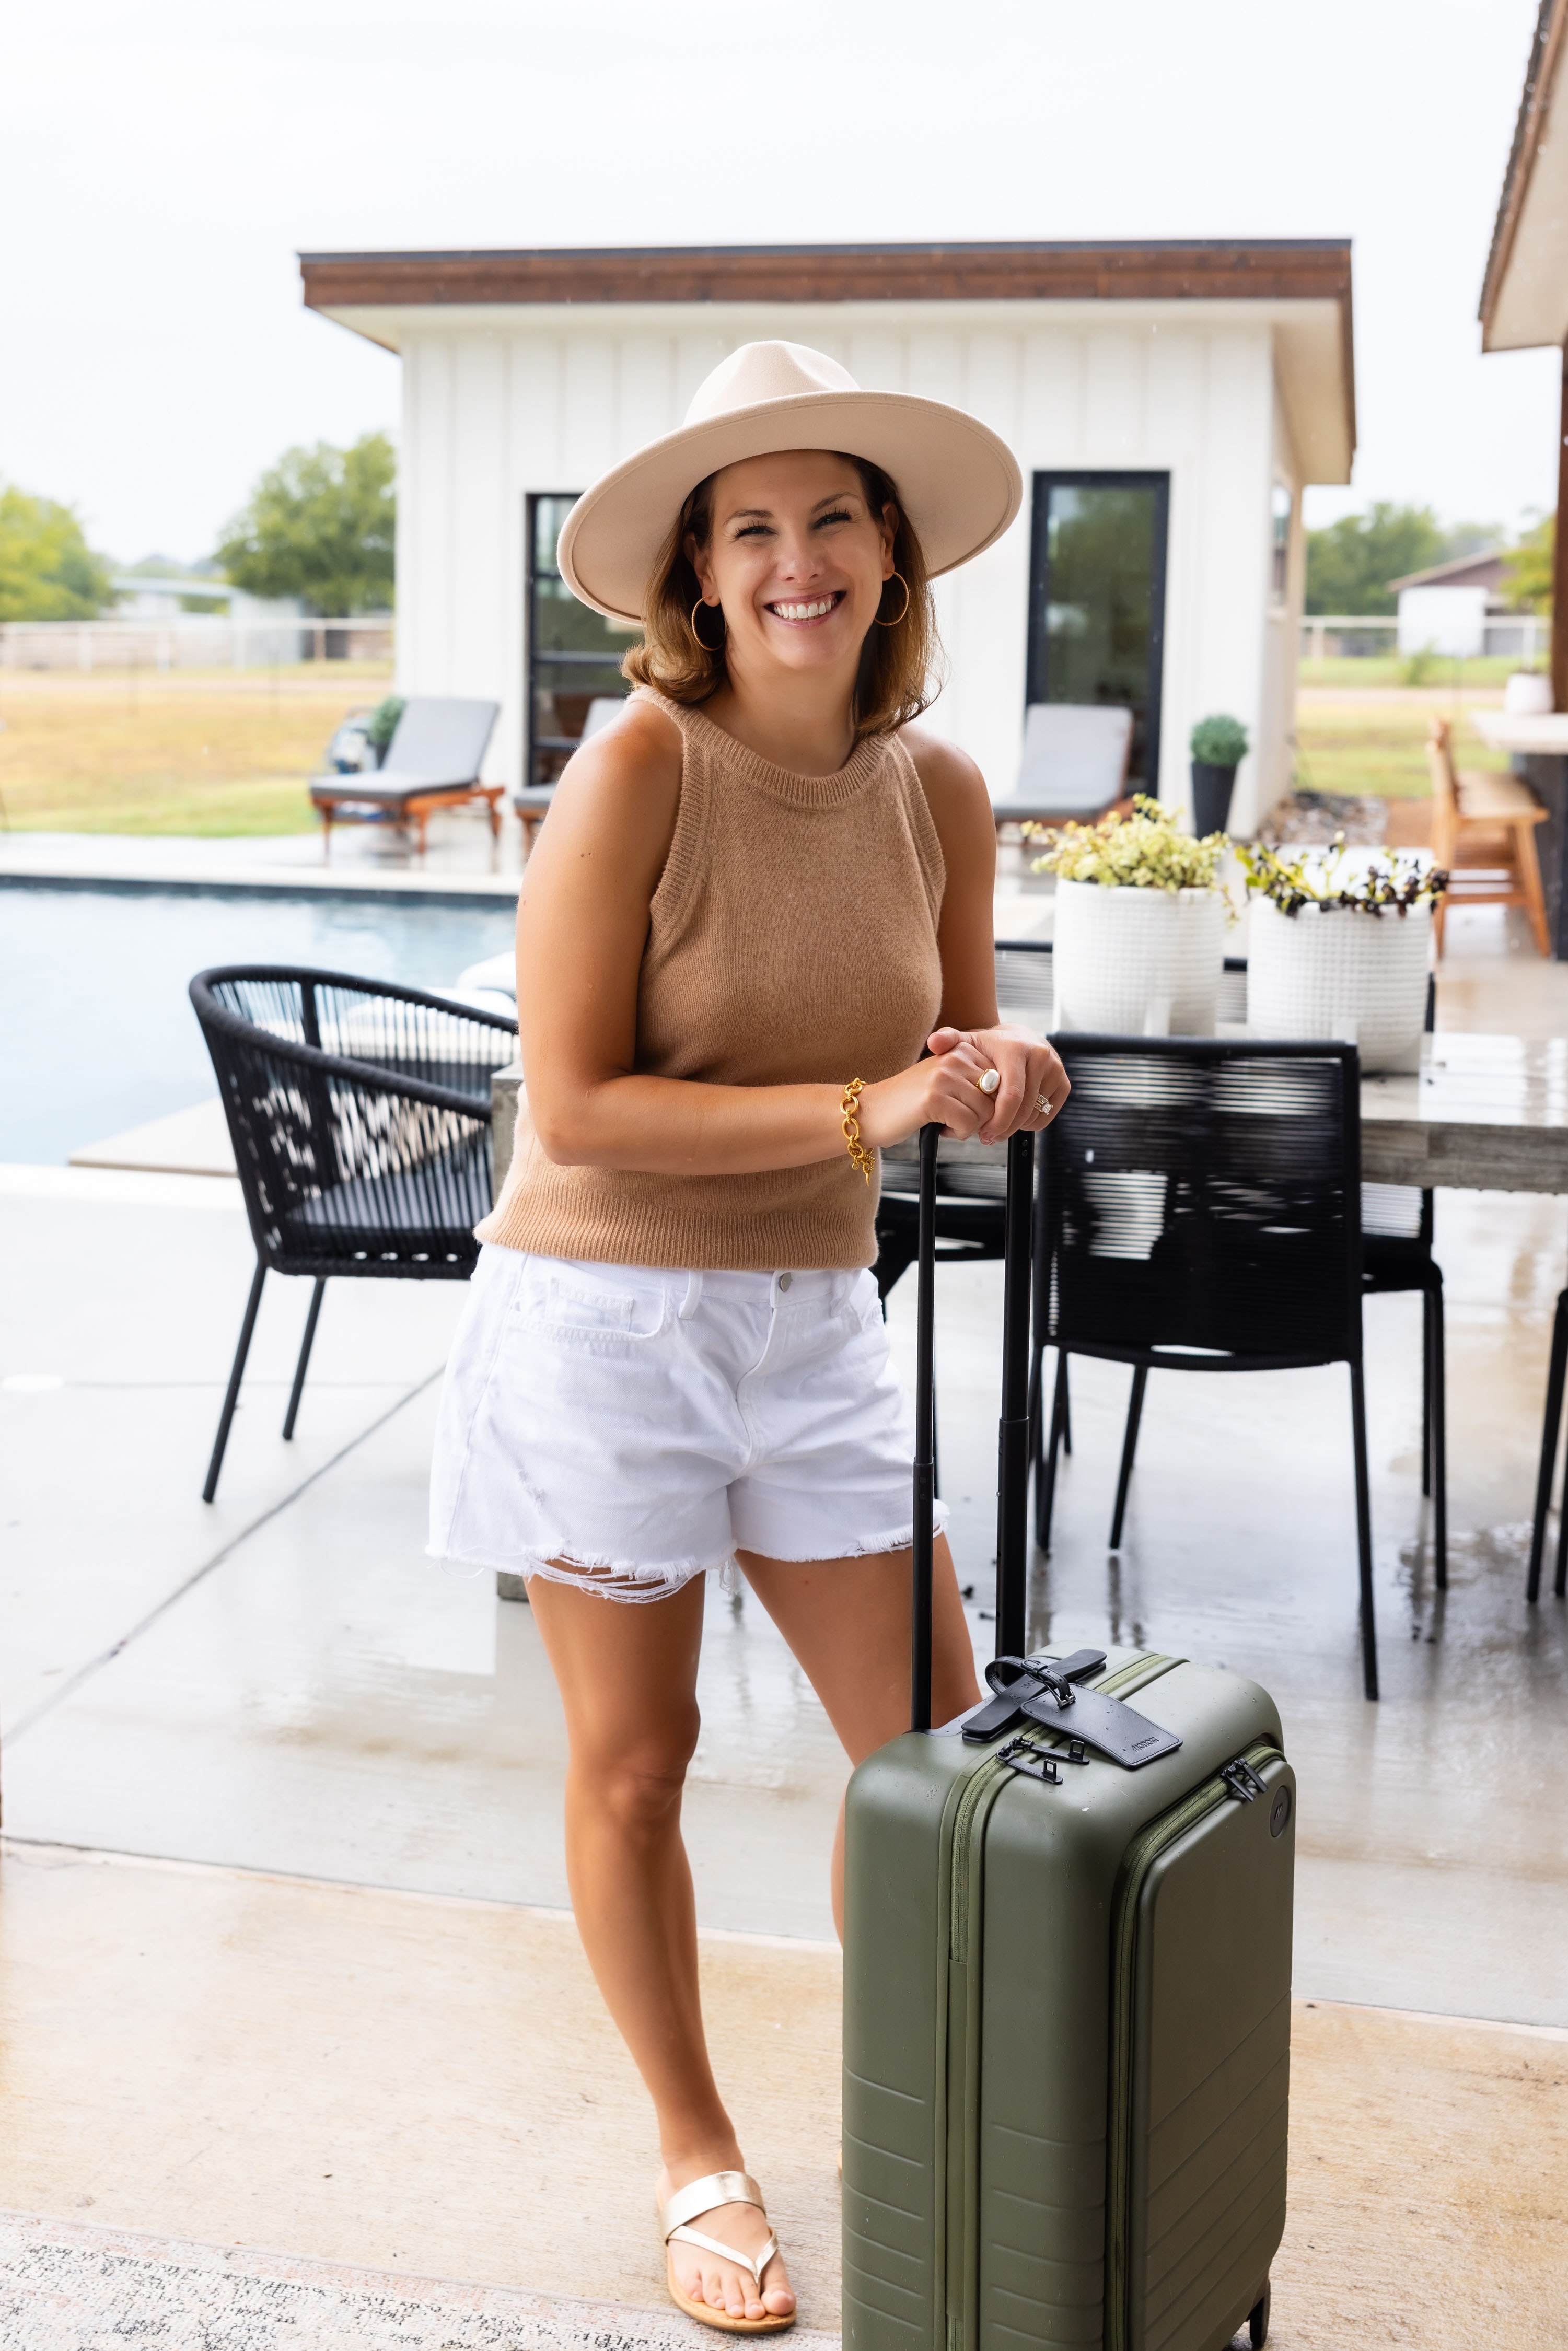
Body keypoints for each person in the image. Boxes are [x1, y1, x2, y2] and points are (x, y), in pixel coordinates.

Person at [429, 342, 1069, 2335]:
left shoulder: (938, 791)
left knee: (933, 1762)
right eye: (754, 530)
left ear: (890, 558)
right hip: (607, 1320)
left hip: (817, 1320)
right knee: (641, 1762)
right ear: (699, 578)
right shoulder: (638, 766)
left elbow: (941, 1044)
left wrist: (1003, 1067)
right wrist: (880, 1105)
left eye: (833, 519)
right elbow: (577, 1106)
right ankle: (696, 2148)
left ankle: (921, 2096)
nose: (799, 561)